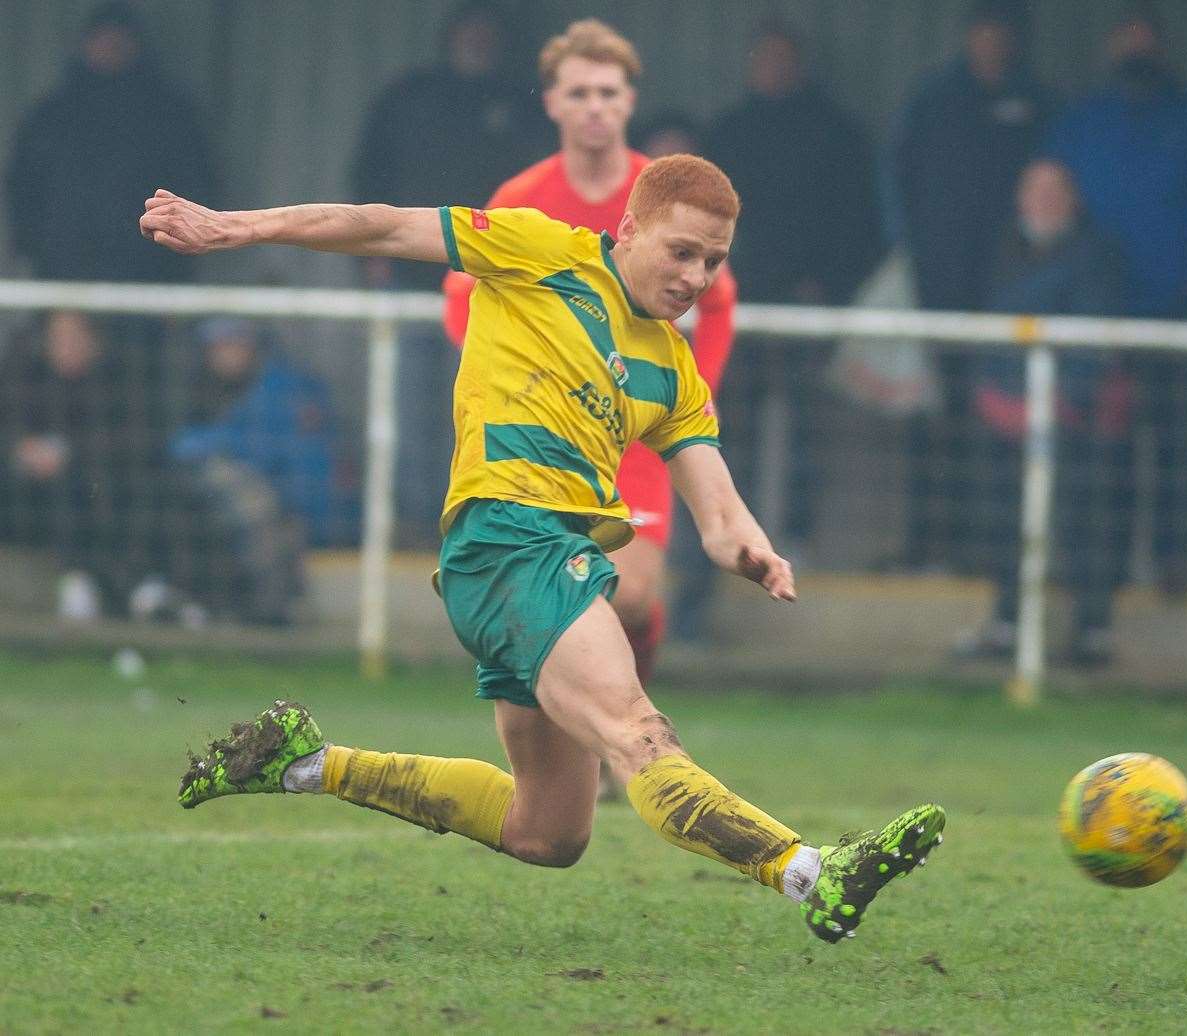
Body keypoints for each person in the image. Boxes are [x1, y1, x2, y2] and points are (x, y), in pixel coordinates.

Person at [142, 155, 945, 944]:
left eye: (714, 260)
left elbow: (718, 505)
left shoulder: (675, 370)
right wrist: (237, 228)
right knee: (637, 731)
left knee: (547, 834)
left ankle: (304, 763)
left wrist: (751, 549)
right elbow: (382, 228)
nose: (697, 275)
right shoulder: (539, 249)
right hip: (507, 539)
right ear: (629, 228)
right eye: (682, 251)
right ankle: (811, 870)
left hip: (546, 560)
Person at [442, 20, 738, 690]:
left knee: (628, 596)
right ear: (551, 103)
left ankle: (634, 672)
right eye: (579, 93)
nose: (595, 106)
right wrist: (505, 373)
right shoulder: (521, 198)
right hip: (541, 433)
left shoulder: (663, 193)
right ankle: (595, 739)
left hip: (628, 427)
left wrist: (696, 394)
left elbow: (717, 305)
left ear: (631, 100)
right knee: (559, 597)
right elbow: (460, 294)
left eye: (609, 91)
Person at [1045, 3, 1187, 593]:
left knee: (1176, 447)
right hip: (1094, 321)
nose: (1134, 53)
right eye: (1124, 41)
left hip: (1174, 318)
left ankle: (1171, 560)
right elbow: (1051, 205)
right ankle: (1095, 573)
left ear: (1161, 49)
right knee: (1097, 453)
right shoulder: (1081, 124)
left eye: (1144, 42)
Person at [350, 2, 542, 543]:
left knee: (489, 412)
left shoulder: (522, 107)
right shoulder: (408, 99)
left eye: (487, 32)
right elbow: (367, 177)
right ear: (450, 37)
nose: (477, 42)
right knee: (406, 416)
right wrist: (371, 257)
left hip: (495, 291)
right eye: (468, 31)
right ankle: (413, 525)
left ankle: (480, 524)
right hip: (410, 287)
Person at [704, 22, 884, 557]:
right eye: (767, 58)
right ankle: (730, 533)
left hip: (810, 308)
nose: (775, 69)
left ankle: (798, 536)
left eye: (785, 59)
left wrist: (826, 285)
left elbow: (858, 223)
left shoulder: (836, 134)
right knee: (729, 429)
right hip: (737, 307)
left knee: (807, 429)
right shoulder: (728, 133)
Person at [889, 0, 1052, 572]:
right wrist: (912, 258)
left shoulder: (1035, 104)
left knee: (1003, 422)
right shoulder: (934, 100)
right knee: (933, 418)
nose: (992, 42)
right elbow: (897, 184)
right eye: (982, 31)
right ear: (968, 36)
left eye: (1001, 32)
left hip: (1014, 297)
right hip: (938, 291)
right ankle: (928, 543)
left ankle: (992, 554)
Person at [955, 160, 1135, 668]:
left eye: (1055, 190)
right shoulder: (997, 251)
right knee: (1002, 523)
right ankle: (1008, 622)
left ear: (1074, 199)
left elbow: (1095, 336)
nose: (1044, 199)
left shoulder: (1097, 254)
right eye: (1034, 188)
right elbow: (983, 323)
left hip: (1076, 415)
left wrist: (1062, 400)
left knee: (1086, 524)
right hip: (1004, 411)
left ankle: (1092, 630)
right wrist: (993, 395)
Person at [4, 1, 215, 284]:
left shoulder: (168, 116)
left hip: (152, 267)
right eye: (103, 40)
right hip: (65, 267)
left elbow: (194, 183)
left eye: (119, 41)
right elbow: (26, 187)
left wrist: (179, 262)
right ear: (84, 45)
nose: (111, 48)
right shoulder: (54, 116)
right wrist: (36, 251)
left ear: (137, 46)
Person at [0, 311, 179, 620]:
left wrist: (69, 454)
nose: (66, 346)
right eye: (58, 339)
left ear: (95, 343)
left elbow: (131, 443)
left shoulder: (117, 385)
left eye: (74, 338)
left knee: (102, 490)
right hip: (24, 490)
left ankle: (94, 583)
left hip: (92, 496)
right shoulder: (27, 377)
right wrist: (20, 449)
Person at [172, 318, 358, 549]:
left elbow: (264, 449)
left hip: (315, 519)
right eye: (217, 345)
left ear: (251, 343)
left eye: (232, 342)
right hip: (297, 515)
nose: (224, 353)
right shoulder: (245, 385)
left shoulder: (282, 386)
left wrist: (193, 443)